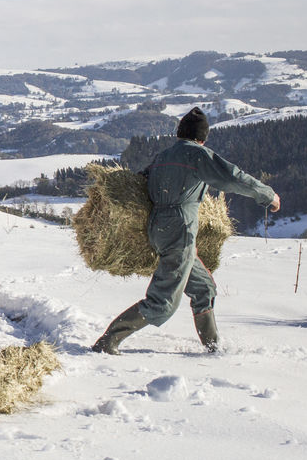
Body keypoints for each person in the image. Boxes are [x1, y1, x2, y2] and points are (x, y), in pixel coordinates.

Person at [91, 106, 280, 355]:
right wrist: (268, 195)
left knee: (203, 288)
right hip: (179, 229)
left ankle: (213, 348)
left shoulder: (163, 156)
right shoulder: (196, 155)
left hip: (158, 226)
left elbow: (140, 181)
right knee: (163, 302)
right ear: (202, 138)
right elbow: (232, 177)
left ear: (180, 133)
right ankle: (108, 342)